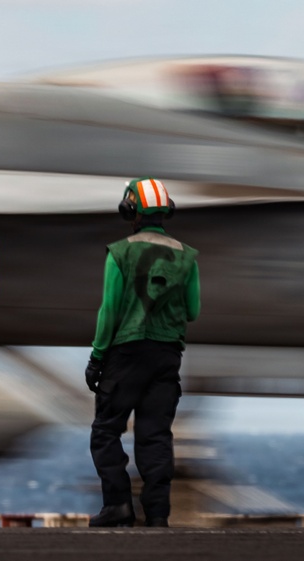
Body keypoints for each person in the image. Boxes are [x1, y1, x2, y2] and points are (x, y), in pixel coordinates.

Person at [84, 178, 201, 528]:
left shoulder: (119, 252)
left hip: (126, 353)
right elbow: (192, 309)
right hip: (167, 354)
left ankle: (118, 505)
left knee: (106, 430)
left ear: (130, 210)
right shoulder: (187, 255)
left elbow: (110, 311)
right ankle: (158, 513)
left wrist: (96, 357)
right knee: (155, 434)